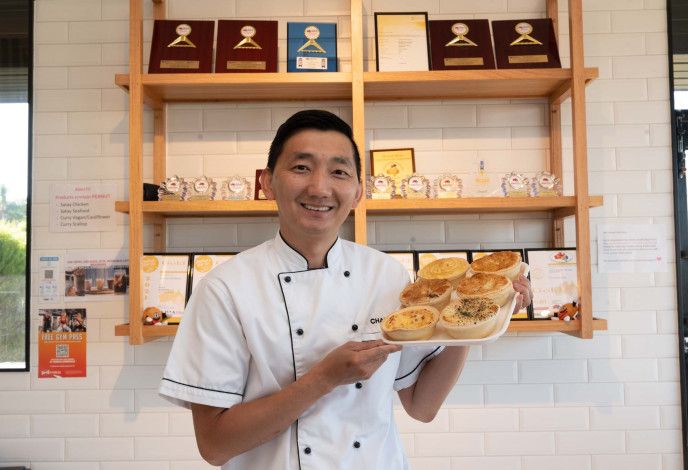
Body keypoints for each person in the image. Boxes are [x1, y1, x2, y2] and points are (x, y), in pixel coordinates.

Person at [159, 109, 532, 469]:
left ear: (357, 192)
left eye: (339, 172)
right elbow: (214, 446)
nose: (320, 187)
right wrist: (324, 377)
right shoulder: (225, 289)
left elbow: (422, 406)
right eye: (301, 167)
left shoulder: (387, 276)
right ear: (267, 182)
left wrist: (476, 312)